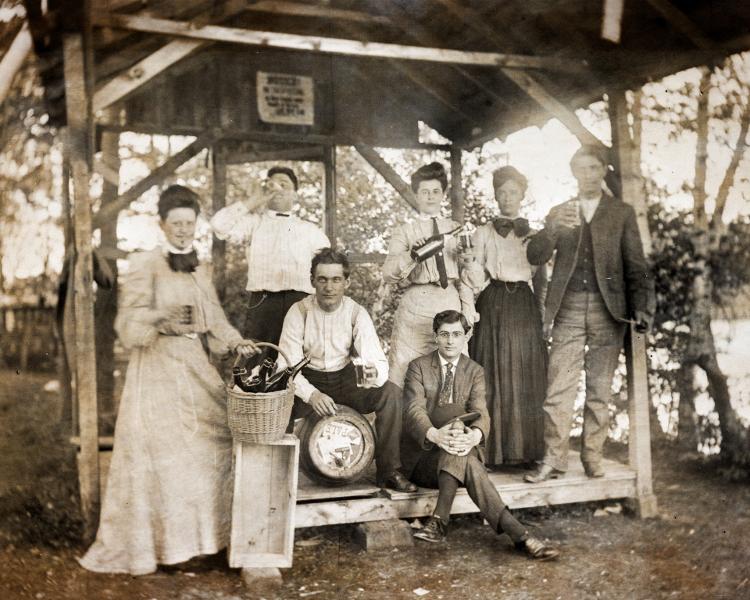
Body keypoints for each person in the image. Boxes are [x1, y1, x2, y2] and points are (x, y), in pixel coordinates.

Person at [79, 185, 259, 575]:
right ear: (162, 225)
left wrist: (236, 341)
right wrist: (159, 318)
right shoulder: (146, 263)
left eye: (189, 224)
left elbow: (214, 321)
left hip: (194, 365)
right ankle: (169, 550)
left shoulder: (199, 268)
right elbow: (126, 324)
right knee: (166, 456)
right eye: (175, 223)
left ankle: (209, 541)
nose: (182, 230)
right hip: (157, 369)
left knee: (216, 441)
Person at [524, 145, 655, 483]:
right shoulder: (560, 211)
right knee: (558, 389)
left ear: (603, 170)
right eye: (581, 168)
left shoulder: (621, 213)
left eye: (594, 168)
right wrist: (552, 228)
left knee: (600, 390)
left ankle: (592, 458)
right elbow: (536, 256)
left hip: (607, 310)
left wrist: (642, 306)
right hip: (566, 308)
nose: (588, 174)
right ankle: (553, 460)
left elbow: (636, 266)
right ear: (574, 173)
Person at [400, 310, 558, 560]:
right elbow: (413, 410)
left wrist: (474, 436)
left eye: (456, 334)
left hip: (459, 452)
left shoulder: (474, 371)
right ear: (435, 337)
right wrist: (434, 435)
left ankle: (439, 523)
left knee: (461, 447)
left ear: (466, 337)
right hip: (426, 460)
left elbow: (480, 412)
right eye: (444, 334)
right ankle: (520, 534)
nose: (450, 341)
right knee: (463, 454)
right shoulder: (418, 367)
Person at [277, 248, 417, 493]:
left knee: (391, 392)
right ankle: (280, 477)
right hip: (309, 380)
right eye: (322, 279)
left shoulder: (355, 312)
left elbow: (377, 362)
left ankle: (389, 471)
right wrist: (312, 395)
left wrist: (374, 374)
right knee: (277, 397)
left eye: (336, 279)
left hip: (345, 380)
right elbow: (286, 367)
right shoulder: (298, 311)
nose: (329, 287)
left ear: (347, 282)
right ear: (312, 281)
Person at [462, 166, 548, 468]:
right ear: (496, 195)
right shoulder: (483, 233)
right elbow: (475, 277)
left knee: (525, 372)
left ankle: (525, 452)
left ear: (522, 195)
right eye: (502, 192)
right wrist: (469, 264)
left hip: (523, 305)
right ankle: (492, 451)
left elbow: (540, 279)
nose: (508, 197)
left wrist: (542, 315)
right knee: (492, 372)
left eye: (513, 192)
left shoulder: (535, 234)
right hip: (494, 302)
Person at [382, 161, 476, 391]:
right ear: (416, 195)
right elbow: (388, 273)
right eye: (424, 191)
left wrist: (468, 311)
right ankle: (403, 425)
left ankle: (446, 425)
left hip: (449, 300)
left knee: (451, 374)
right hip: (416, 305)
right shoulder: (405, 232)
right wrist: (413, 255)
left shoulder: (457, 228)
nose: (430, 197)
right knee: (405, 370)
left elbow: (468, 279)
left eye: (436, 191)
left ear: (443, 194)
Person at [210, 166, 329, 347]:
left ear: (295, 194)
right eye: (273, 185)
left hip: (300, 303)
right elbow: (219, 225)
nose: (278, 189)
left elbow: (328, 269)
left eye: (284, 185)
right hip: (262, 304)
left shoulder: (310, 231)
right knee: (257, 363)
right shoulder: (253, 223)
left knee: (299, 363)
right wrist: (255, 200)